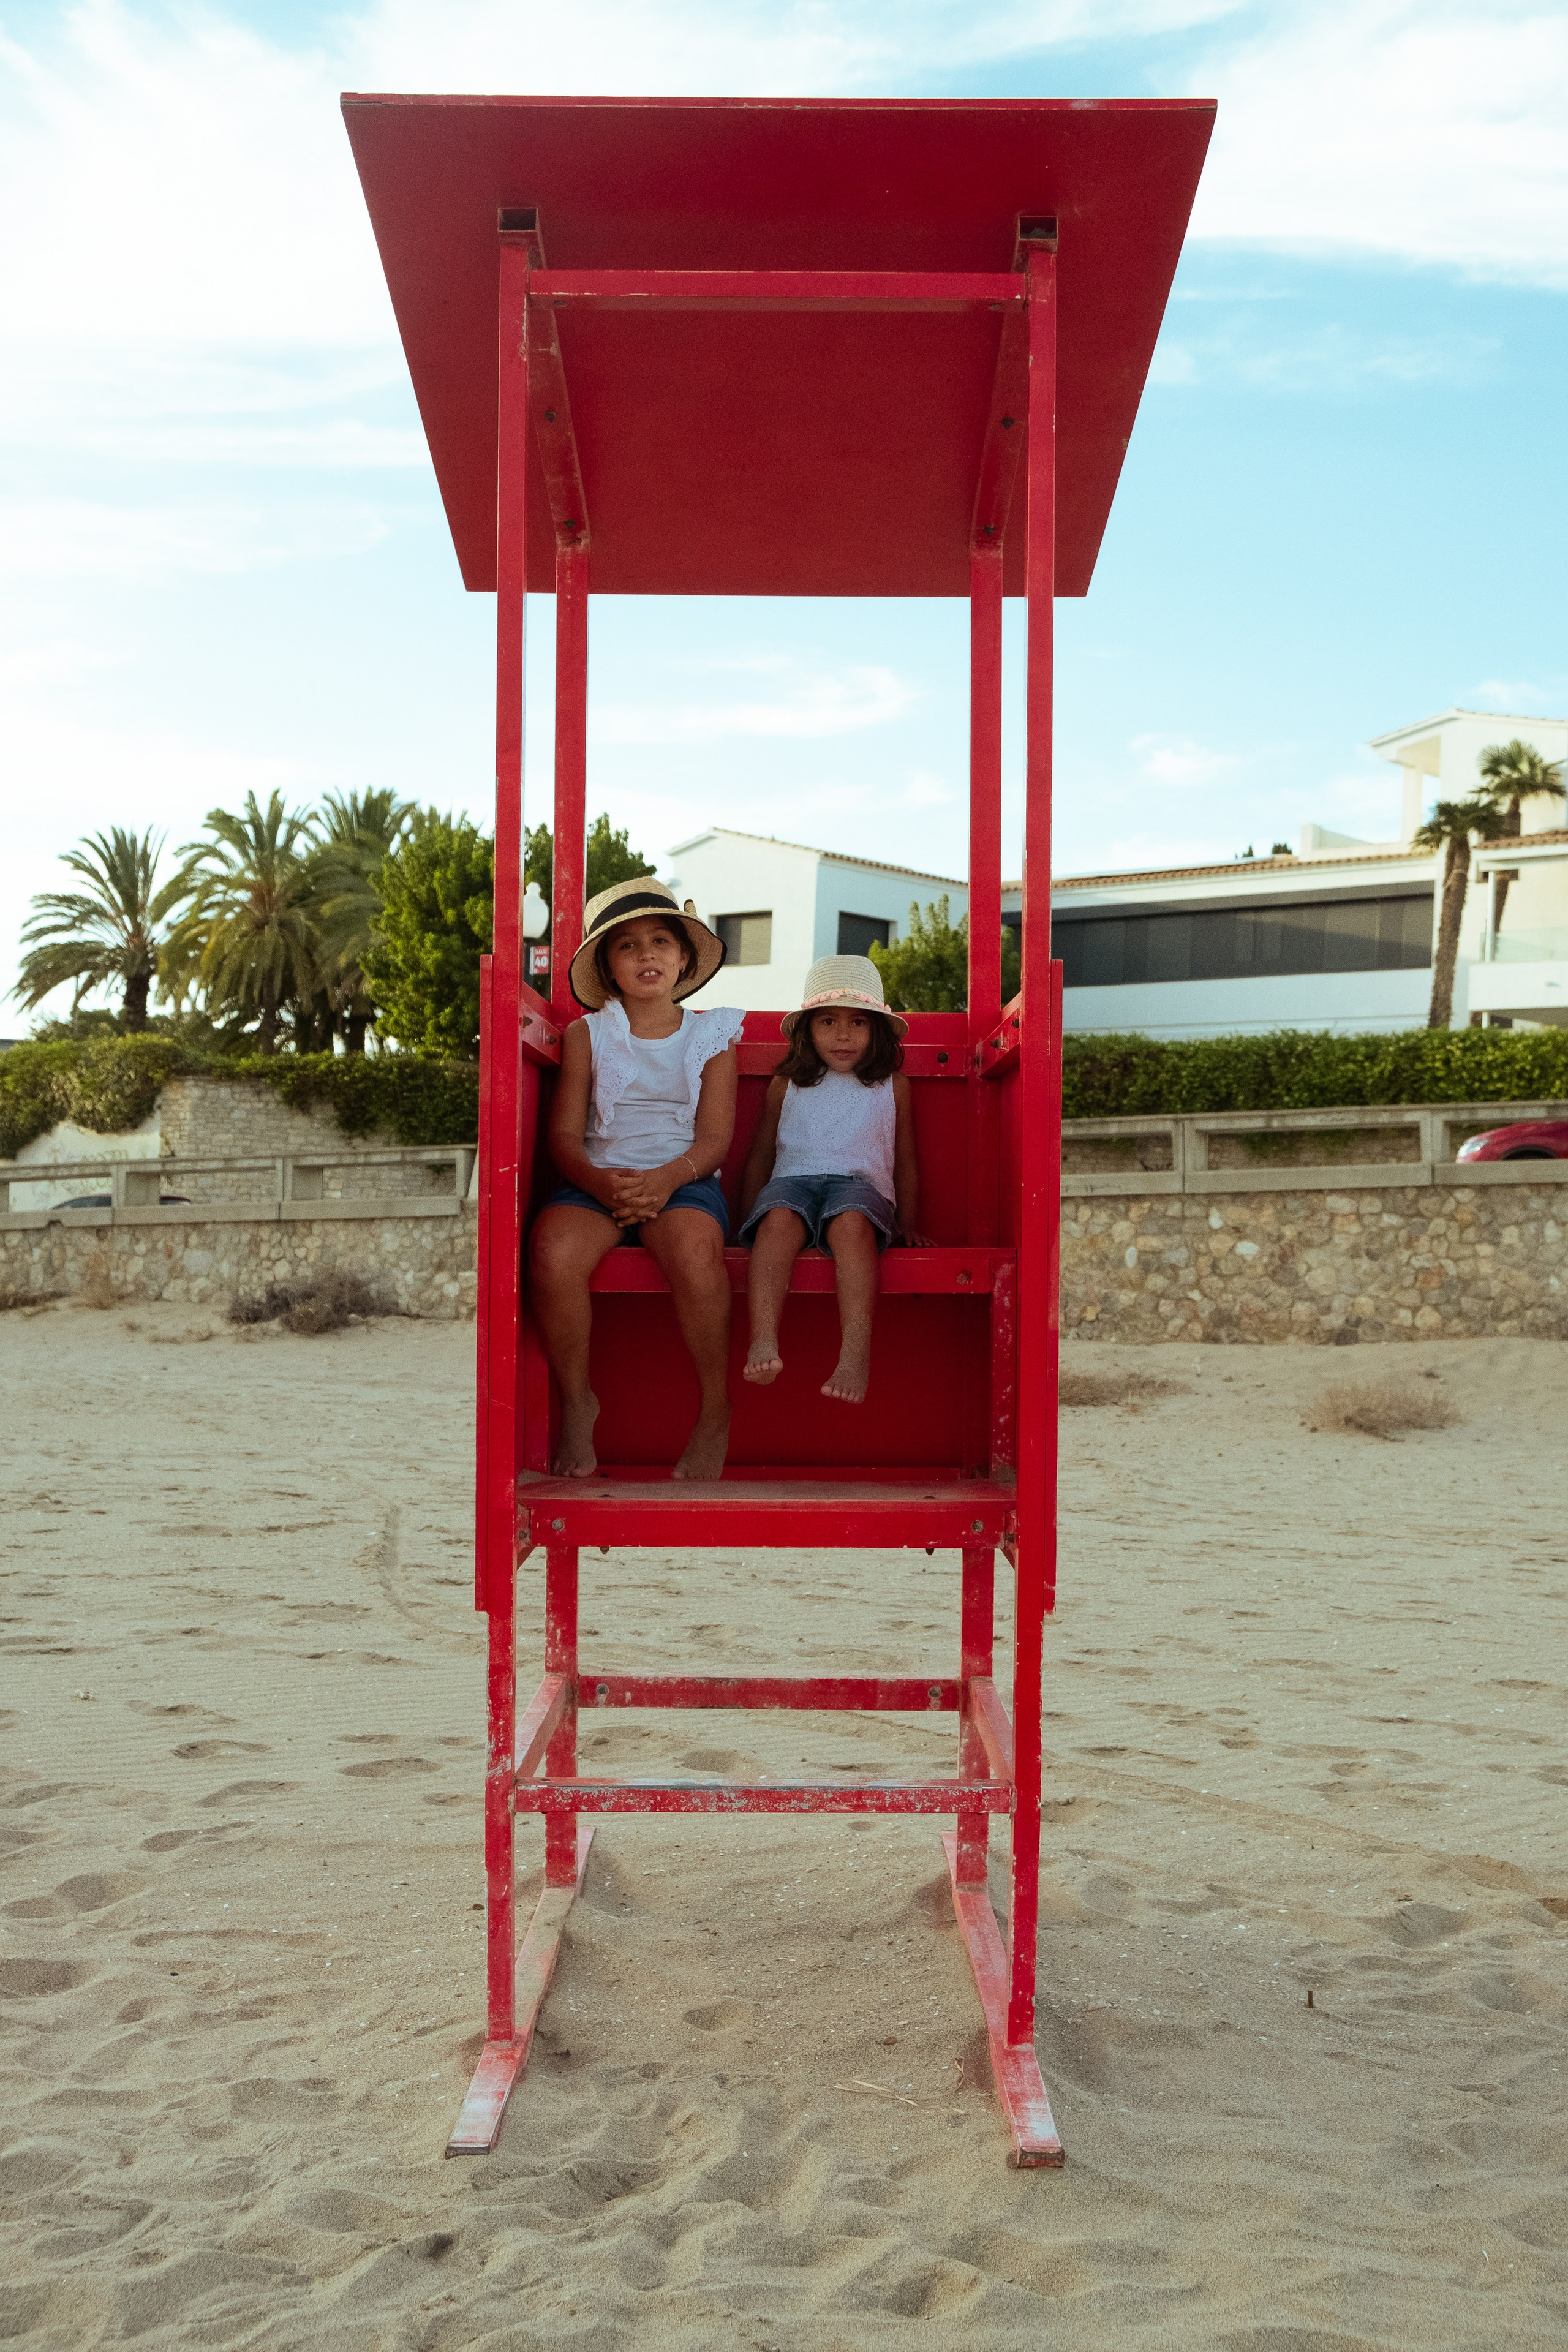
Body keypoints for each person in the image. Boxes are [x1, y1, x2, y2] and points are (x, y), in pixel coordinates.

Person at [529, 879, 742, 1480]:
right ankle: (578, 1400)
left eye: (659, 942)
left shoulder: (713, 1037)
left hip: (684, 1180)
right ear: (608, 967)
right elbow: (565, 1138)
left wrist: (667, 1180)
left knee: (699, 1252)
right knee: (552, 1249)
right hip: (597, 1183)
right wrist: (601, 1184)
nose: (646, 954)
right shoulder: (587, 1034)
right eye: (626, 946)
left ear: (682, 958)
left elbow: (715, 1139)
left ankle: (714, 1410)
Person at [737, 955, 930, 1404]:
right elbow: (762, 1154)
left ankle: (855, 1354)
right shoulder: (787, 1083)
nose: (843, 1036)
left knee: (850, 1226)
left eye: (858, 1022)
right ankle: (763, 1337)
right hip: (793, 1184)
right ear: (808, 1030)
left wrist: (910, 1222)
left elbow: (905, 1160)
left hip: (859, 1189)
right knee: (778, 1221)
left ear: (876, 1030)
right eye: (828, 1021)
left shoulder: (891, 1085)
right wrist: (745, 1217)